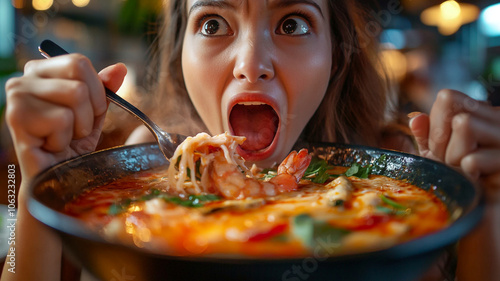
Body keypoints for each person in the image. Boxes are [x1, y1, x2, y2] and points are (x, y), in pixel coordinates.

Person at [2, 0, 499, 280]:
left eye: (292, 22)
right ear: (180, 55)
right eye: (213, 23)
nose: (250, 63)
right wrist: (38, 185)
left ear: (337, 53)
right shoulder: (117, 182)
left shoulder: (416, 196)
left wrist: (489, 210)